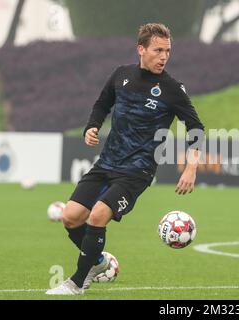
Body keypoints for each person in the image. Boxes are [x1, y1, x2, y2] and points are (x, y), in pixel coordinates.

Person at [46, 23, 204, 295]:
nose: (164, 56)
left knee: (97, 215)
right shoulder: (121, 75)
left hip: (137, 172)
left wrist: (191, 168)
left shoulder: (172, 89)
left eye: (167, 51)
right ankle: (98, 261)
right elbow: (102, 103)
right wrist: (92, 126)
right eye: (158, 50)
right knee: (71, 217)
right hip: (106, 163)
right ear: (141, 49)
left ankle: (77, 282)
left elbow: (196, 128)